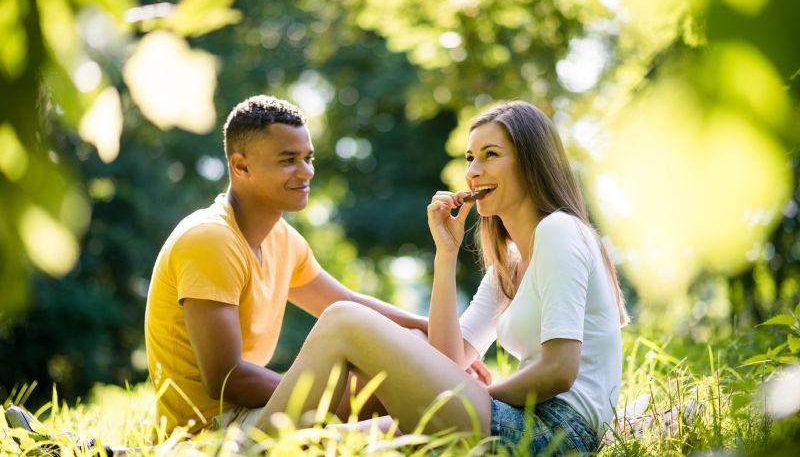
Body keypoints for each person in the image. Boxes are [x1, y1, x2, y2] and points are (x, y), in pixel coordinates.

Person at [251, 101, 629, 454]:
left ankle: (237, 452)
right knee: (330, 443)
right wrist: (445, 254)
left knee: (342, 319)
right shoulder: (509, 266)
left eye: (490, 155)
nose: (472, 171)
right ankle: (253, 447)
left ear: (531, 163)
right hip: (515, 421)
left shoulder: (559, 231)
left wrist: (483, 396)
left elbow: (560, 370)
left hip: (554, 433)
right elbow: (448, 362)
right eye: (470, 158)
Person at [144, 95, 489, 435]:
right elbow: (227, 381)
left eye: (308, 158)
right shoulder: (212, 240)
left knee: (410, 351)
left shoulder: (281, 238)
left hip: (253, 412)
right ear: (241, 165)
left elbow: (347, 303)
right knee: (390, 383)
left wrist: (435, 335)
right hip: (212, 430)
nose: (306, 171)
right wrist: (308, 395)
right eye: (288, 160)